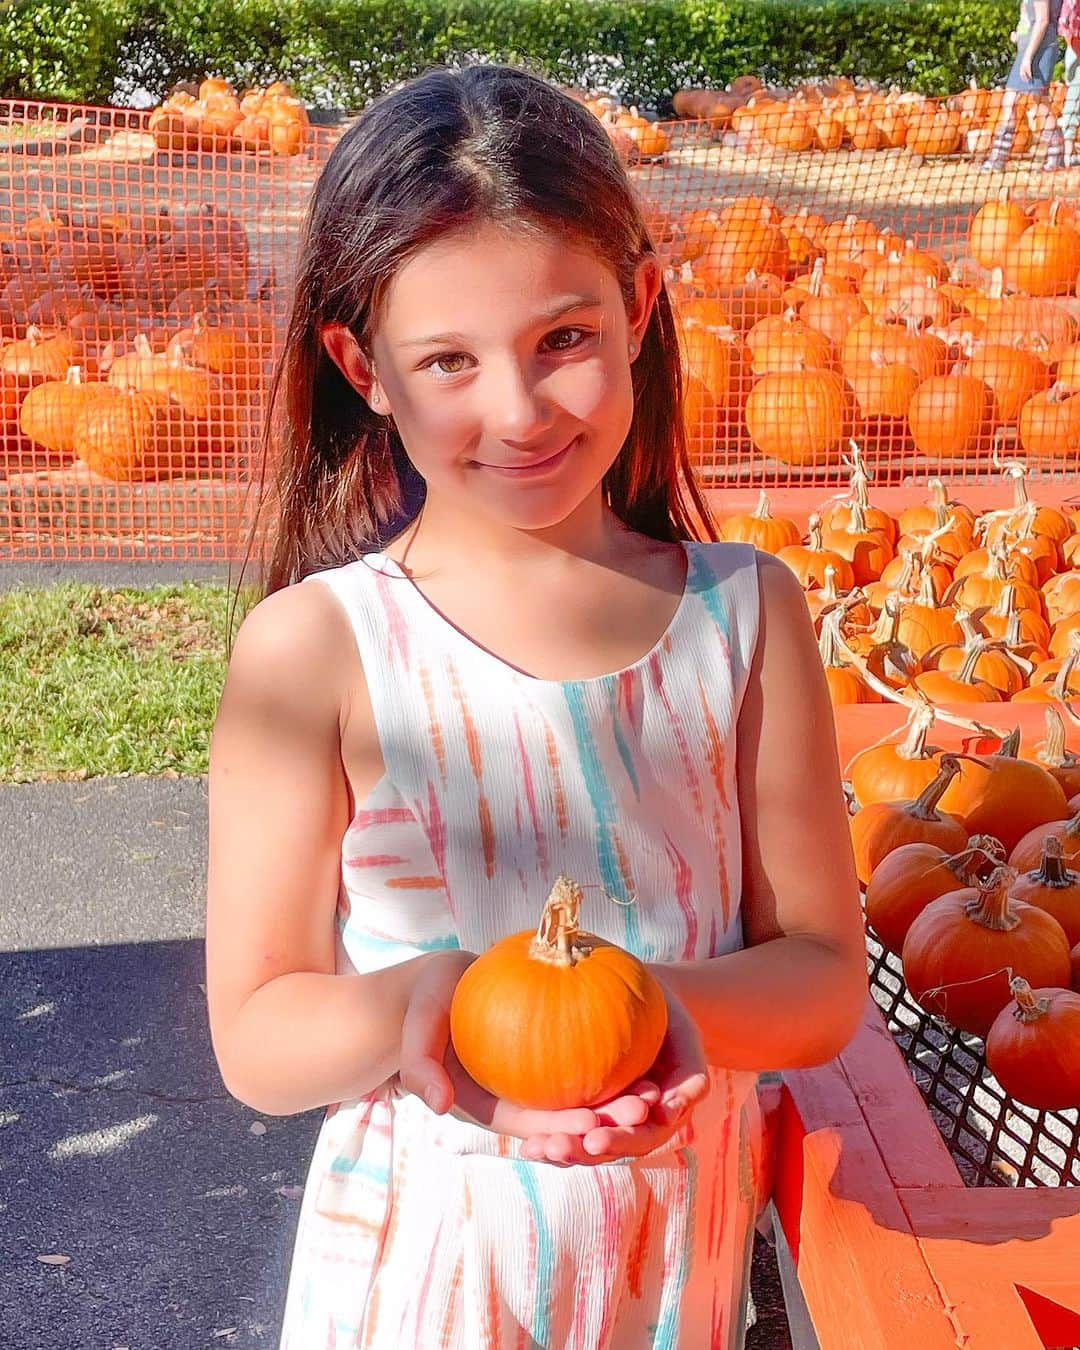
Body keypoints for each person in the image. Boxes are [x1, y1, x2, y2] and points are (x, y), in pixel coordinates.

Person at [205, 64, 866, 1348]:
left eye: (564, 339)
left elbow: (823, 975)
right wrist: (425, 1004)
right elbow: (258, 1032)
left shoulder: (746, 614)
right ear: (363, 366)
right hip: (419, 1281)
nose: (518, 411)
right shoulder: (316, 650)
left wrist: (666, 1011)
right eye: (448, 361)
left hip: (675, 1274)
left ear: (639, 307)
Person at [982, 0, 1065, 170]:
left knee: (1016, 100)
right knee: (1038, 102)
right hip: (1030, 50)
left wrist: (1027, 57)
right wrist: (1019, 34)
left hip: (1039, 52)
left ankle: (997, 159)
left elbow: (1042, 21)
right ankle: (1057, 156)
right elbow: (1027, 18)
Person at [1058, 0, 1080, 165]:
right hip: (1076, 50)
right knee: (1074, 98)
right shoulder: (1071, 3)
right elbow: (1066, 30)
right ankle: (1068, 152)